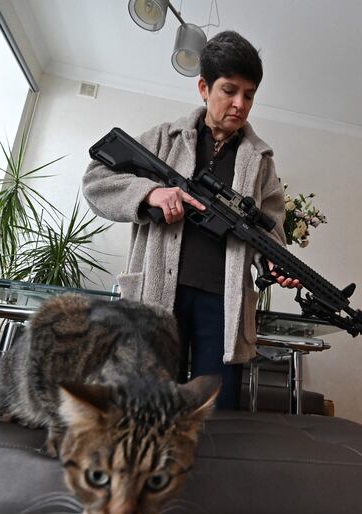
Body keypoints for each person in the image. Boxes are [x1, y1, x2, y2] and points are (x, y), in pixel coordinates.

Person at [82, 30, 297, 410]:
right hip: (158, 293)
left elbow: (272, 228)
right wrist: (149, 194)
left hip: (223, 300)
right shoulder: (164, 138)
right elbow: (97, 178)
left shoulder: (261, 160)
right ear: (203, 87)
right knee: (148, 402)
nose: (239, 104)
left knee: (220, 410)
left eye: (249, 95)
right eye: (229, 90)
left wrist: (275, 261)